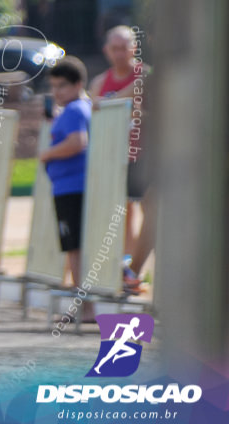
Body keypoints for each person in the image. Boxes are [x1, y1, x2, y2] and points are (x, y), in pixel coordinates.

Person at [87, 25, 151, 294]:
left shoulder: (146, 75)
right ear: (106, 50)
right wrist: (121, 97)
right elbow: (94, 106)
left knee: (150, 210)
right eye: (114, 48)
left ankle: (133, 272)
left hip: (146, 155)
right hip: (115, 155)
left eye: (124, 47)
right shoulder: (101, 81)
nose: (119, 53)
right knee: (121, 213)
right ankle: (125, 272)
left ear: (134, 48)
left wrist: (112, 101)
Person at [39, 57, 94, 321]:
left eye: (62, 86)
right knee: (75, 246)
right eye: (53, 86)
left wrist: (47, 155)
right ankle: (85, 304)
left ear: (78, 84)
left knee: (75, 248)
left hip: (72, 187)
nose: (56, 92)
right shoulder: (75, 109)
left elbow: (77, 142)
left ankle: (85, 307)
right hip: (69, 186)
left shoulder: (74, 110)